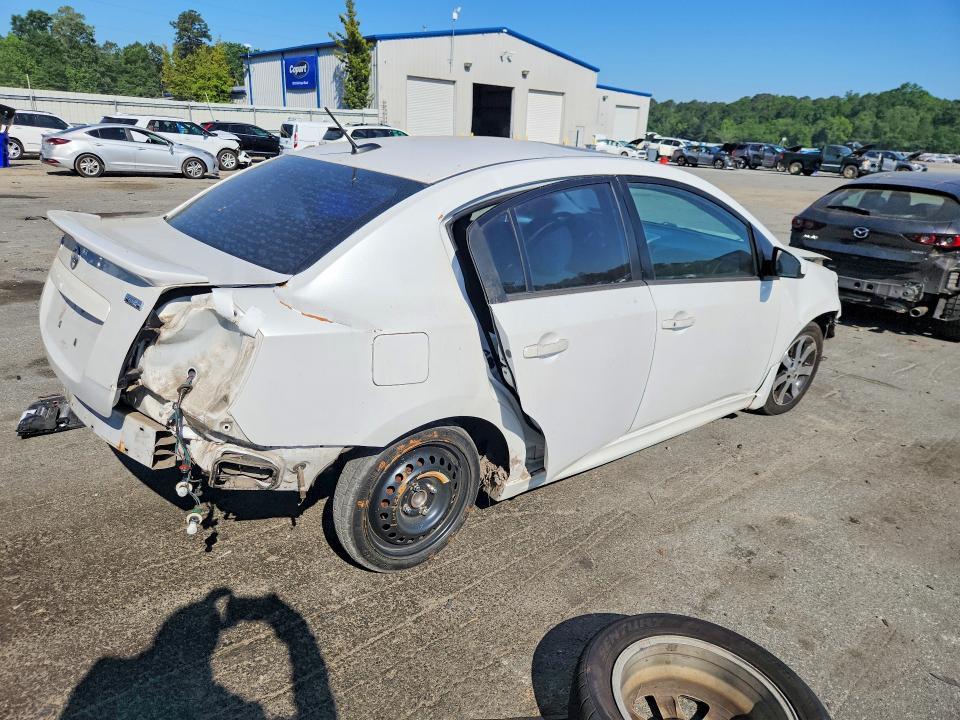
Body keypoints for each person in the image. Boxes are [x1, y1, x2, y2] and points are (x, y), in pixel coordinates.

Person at [0, 103, 15, 169]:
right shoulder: (8, 121)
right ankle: (5, 164)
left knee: (1, 151)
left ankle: (2, 164)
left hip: (1, 136)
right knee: (4, 150)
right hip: (5, 135)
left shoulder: (2, 121)